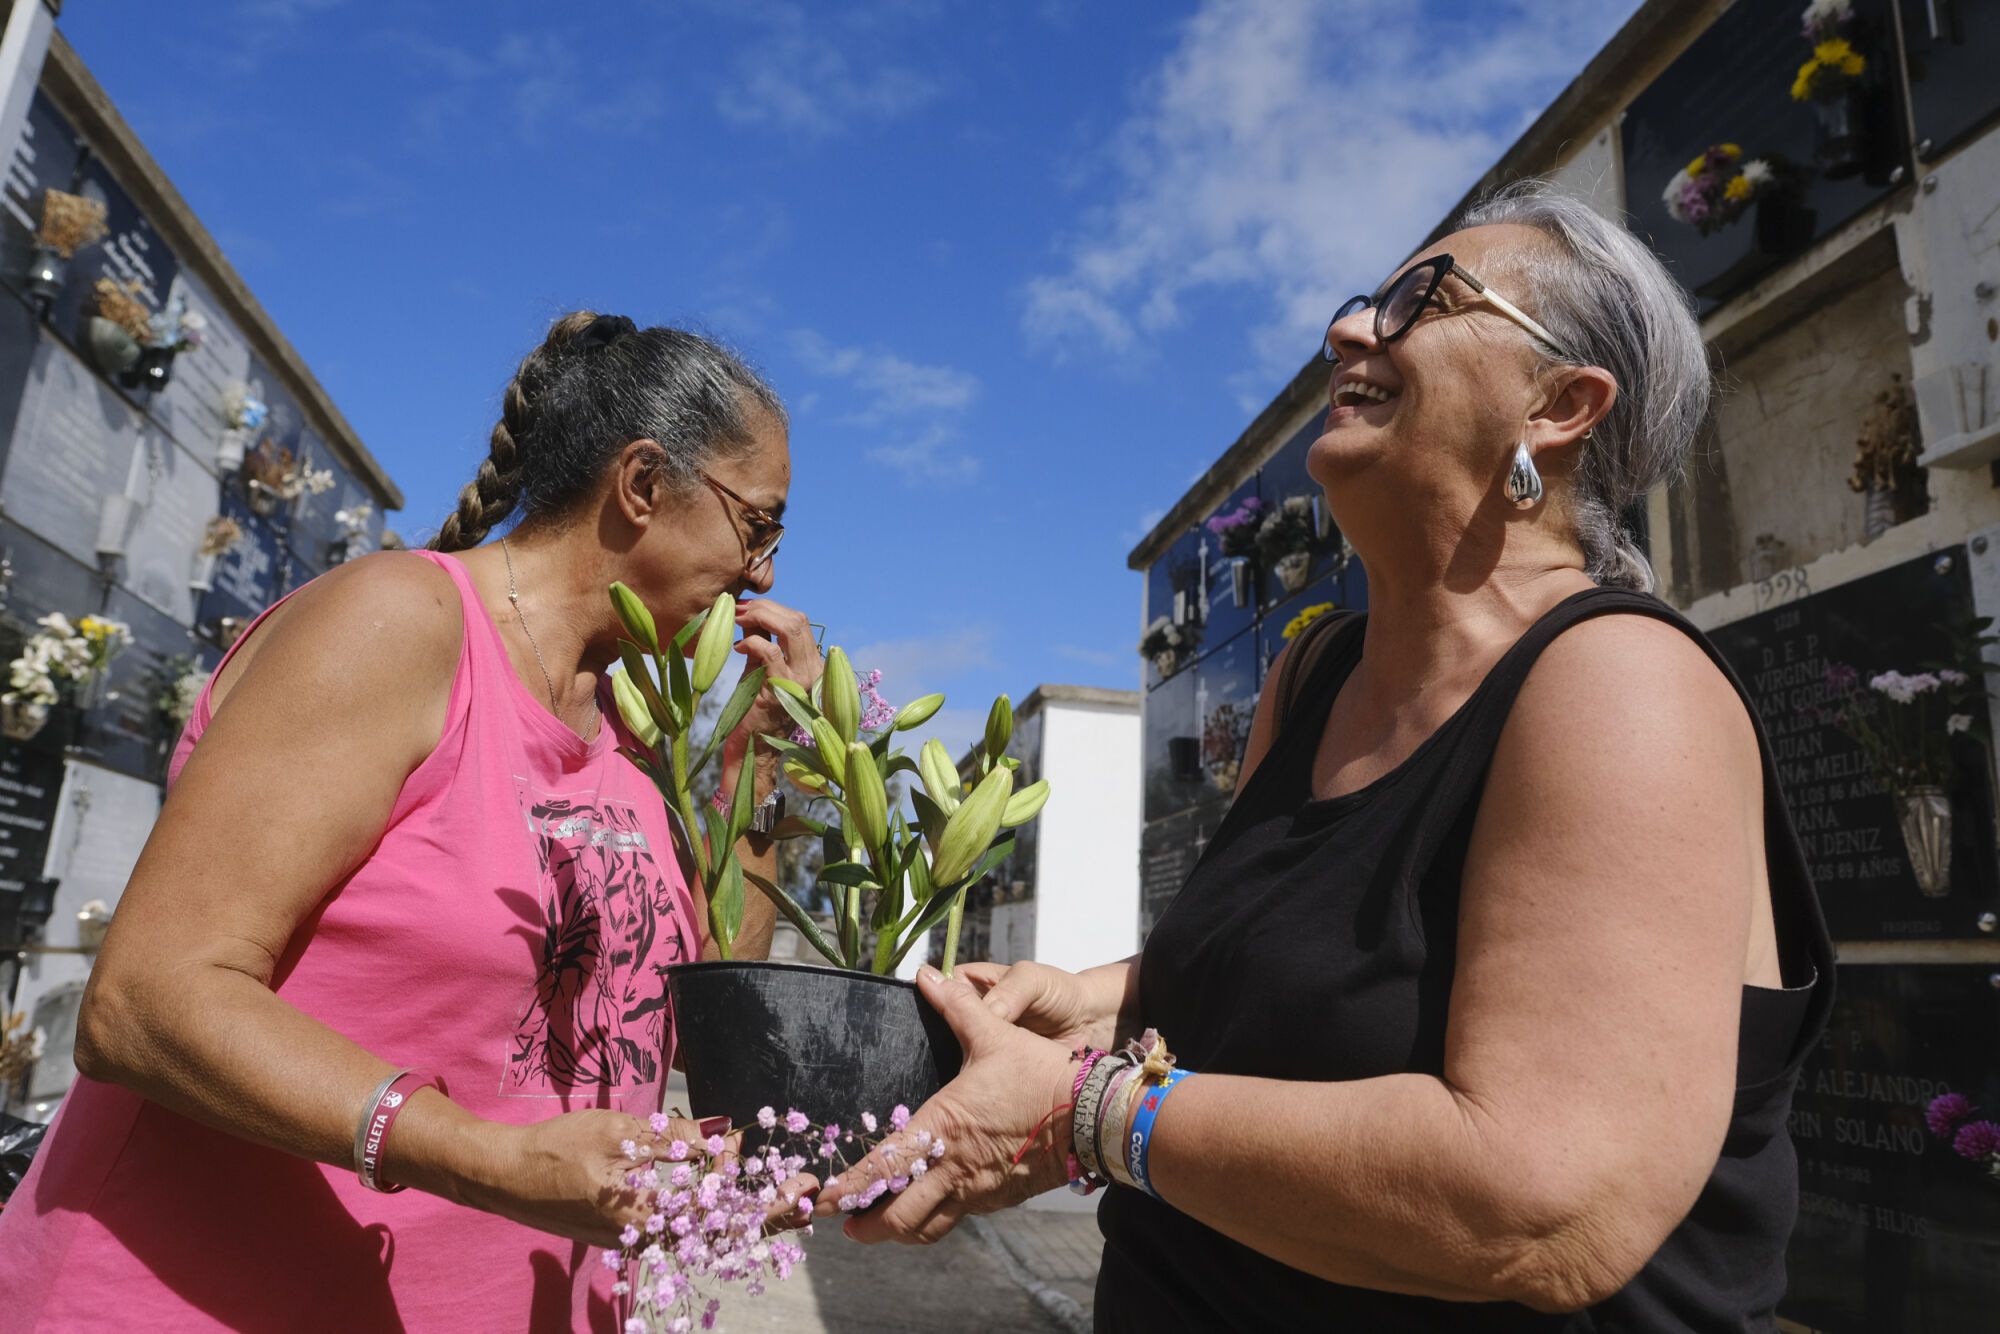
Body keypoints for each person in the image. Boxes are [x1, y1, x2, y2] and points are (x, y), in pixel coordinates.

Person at [822, 183, 1835, 1331]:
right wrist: (1093, 1003)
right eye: (1367, 300)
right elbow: (1282, 992)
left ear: (1558, 403)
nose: (1349, 329)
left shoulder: (1620, 685)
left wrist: (1082, 1111)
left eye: (1421, 300)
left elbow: (1545, 1204)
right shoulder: (1311, 679)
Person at [0, 313, 822, 1331]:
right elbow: (142, 999)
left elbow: (698, 1036)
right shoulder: (398, 624)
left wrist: (761, 771)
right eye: (759, 524)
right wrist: (482, 1155)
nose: (765, 576)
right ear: (644, 484)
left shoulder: (632, 743)